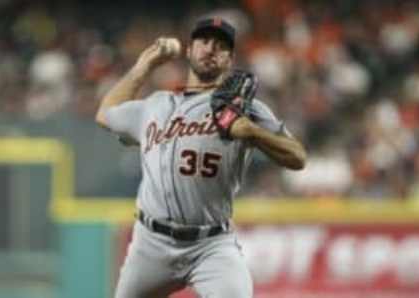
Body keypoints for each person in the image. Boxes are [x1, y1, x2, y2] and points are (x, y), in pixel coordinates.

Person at [95, 17, 306, 298]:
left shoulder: (245, 108)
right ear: (189, 51)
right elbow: (106, 113)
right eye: (204, 42)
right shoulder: (156, 105)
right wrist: (145, 65)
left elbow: (298, 157)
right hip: (150, 243)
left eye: (220, 46)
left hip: (211, 246)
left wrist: (252, 132)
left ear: (230, 60)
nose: (210, 49)